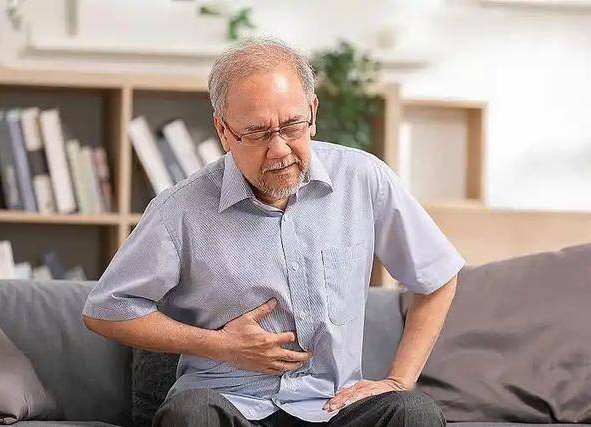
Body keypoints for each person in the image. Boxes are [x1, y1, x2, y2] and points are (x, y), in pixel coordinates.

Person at [82, 37, 465, 427]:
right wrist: (221, 345)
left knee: (413, 413)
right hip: (230, 406)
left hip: (332, 407)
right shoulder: (179, 209)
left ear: (312, 112)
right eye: (258, 133)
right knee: (190, 414)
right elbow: (106, 310)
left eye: (292, 126)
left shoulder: (364, 178)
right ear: (223, 131)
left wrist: (398, 379)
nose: (280, 149)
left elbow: (437, 277)